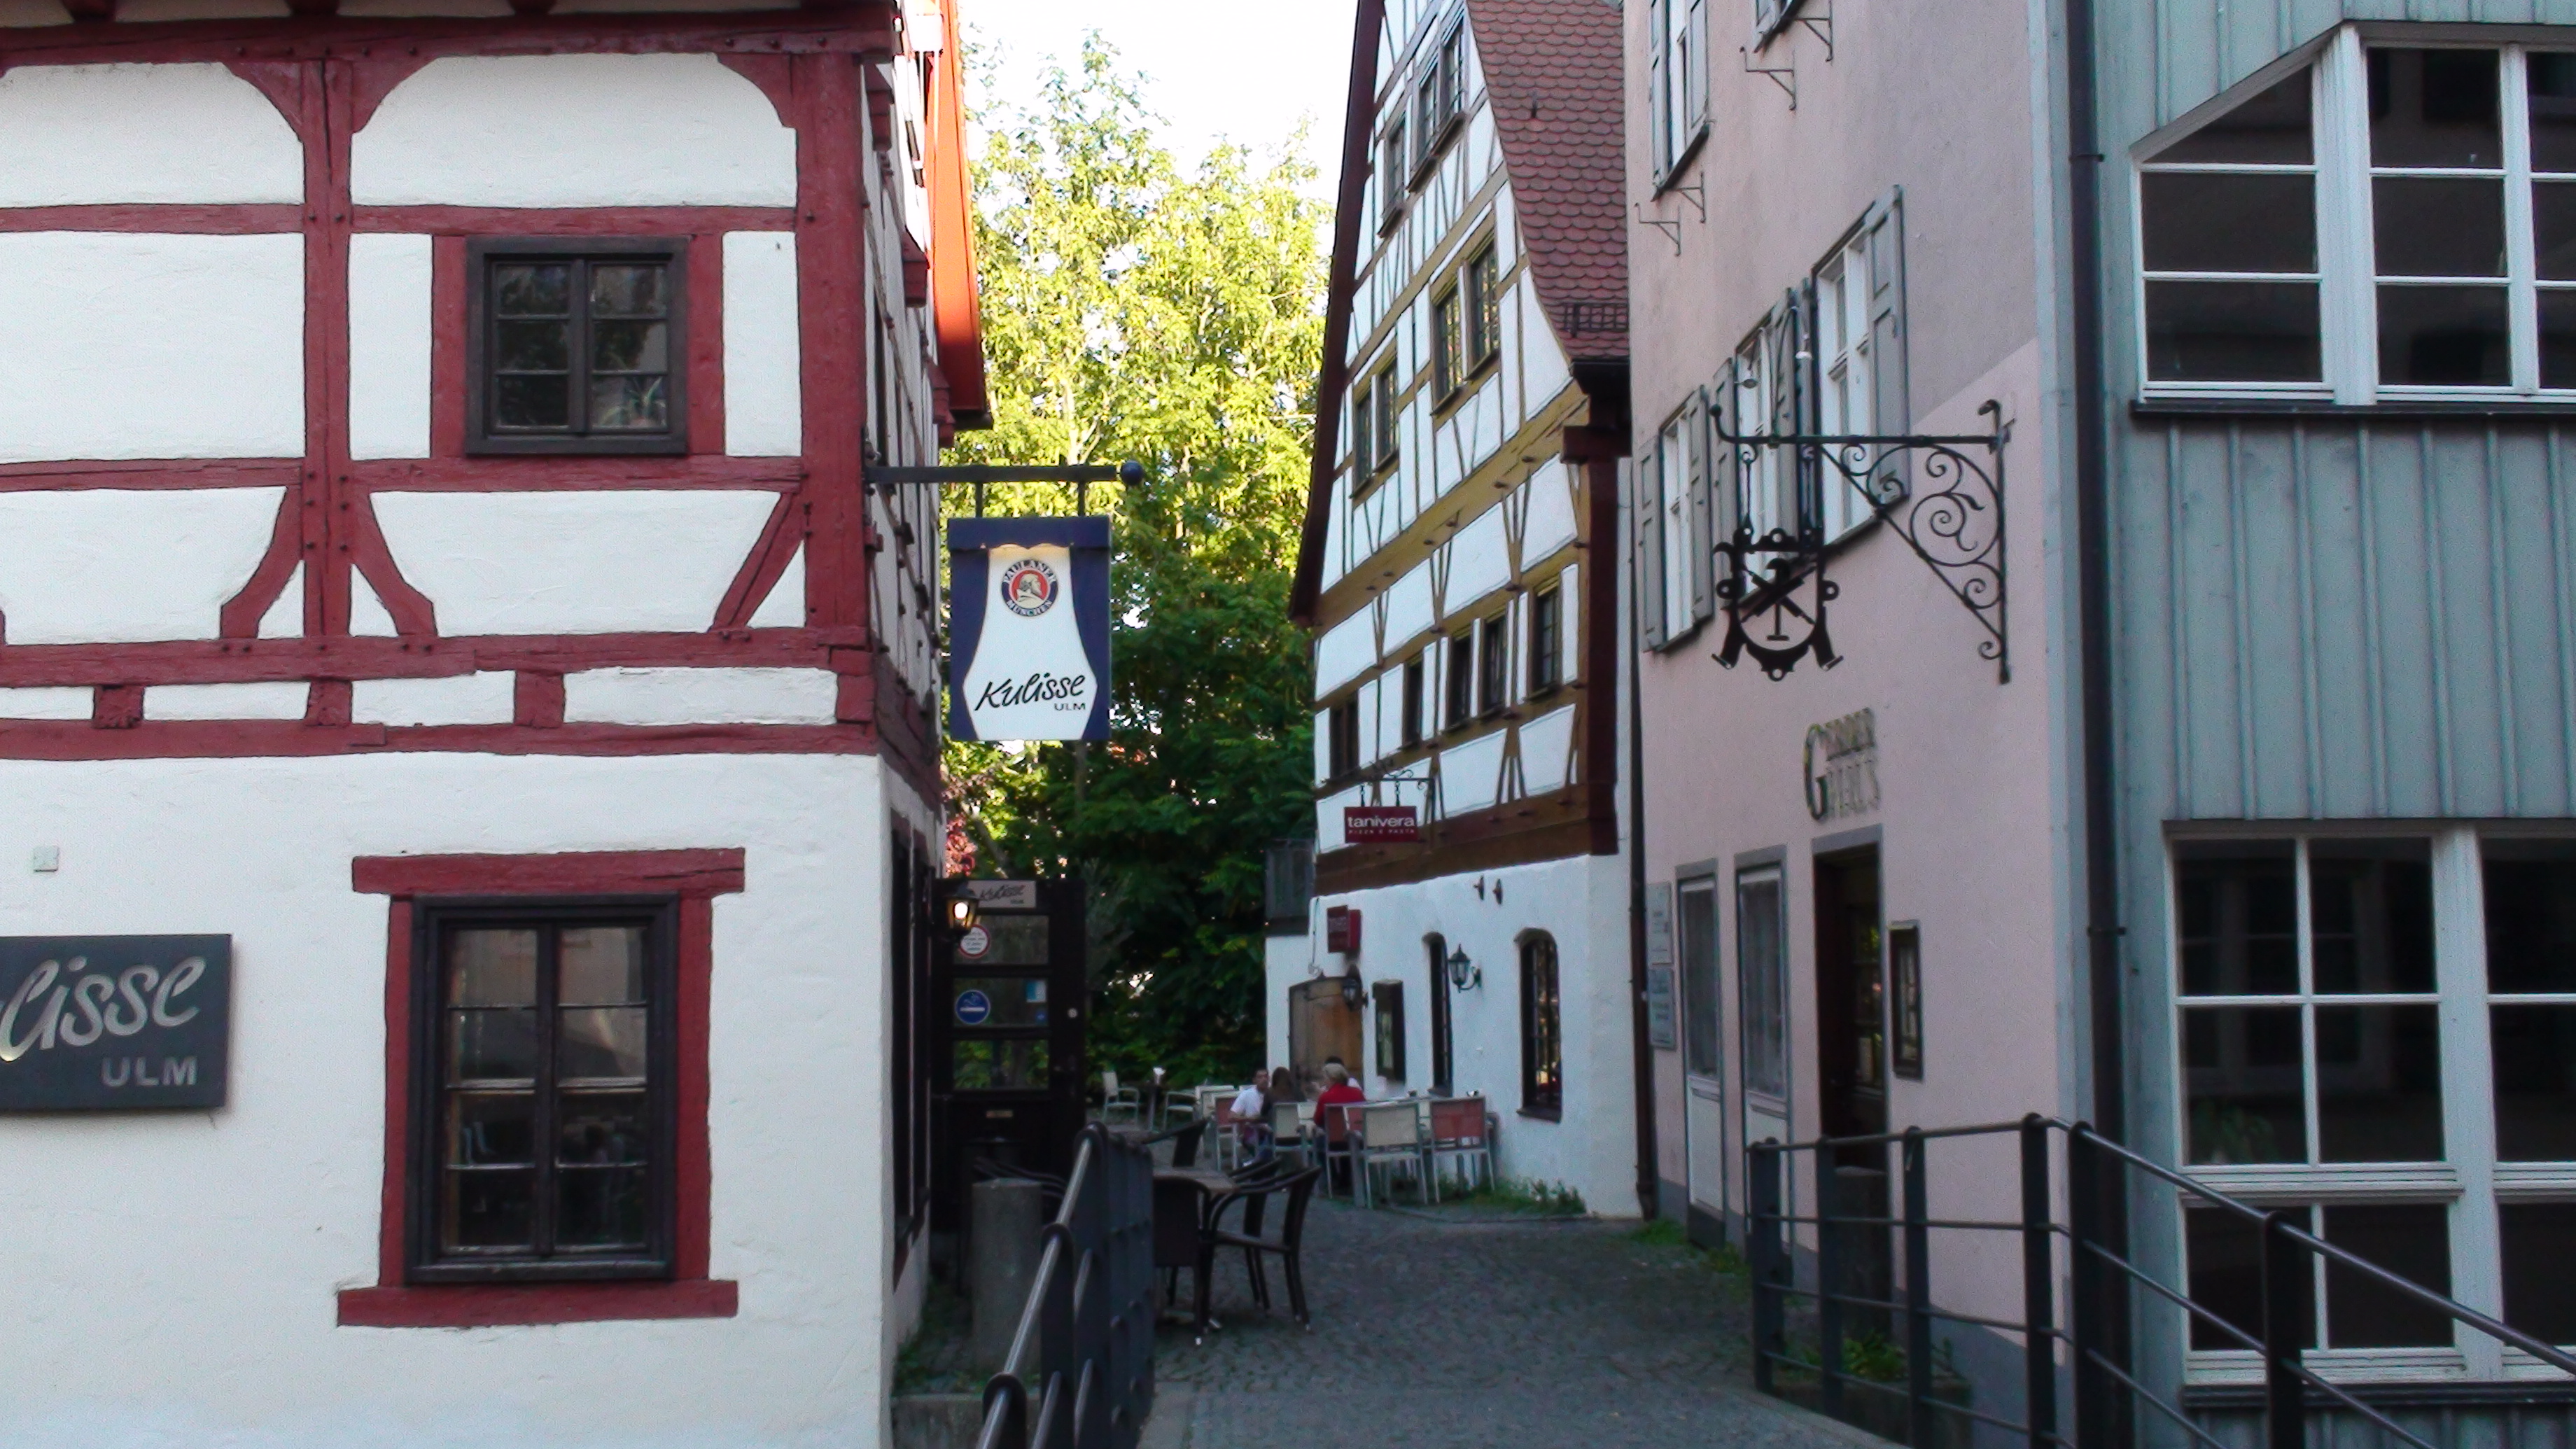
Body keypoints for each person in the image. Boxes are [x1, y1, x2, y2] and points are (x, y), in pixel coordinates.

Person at [1313, 1061, 1365, 1193]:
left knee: (1318, 1143)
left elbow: (1318, 1120)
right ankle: (1346, 1179)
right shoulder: (1357, 1093)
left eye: (1325, 1078)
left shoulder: (1326, 1097)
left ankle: (1333, 1177)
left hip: (1334, 1141)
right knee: (1347, 1140)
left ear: (1332, 1078)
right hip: (1356, 1139)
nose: (1324, 1081)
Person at [1230, 1074, 1272, 1166]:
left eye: (1266, 1077)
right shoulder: (1247, 1094)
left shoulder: (1273, 1094)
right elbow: (1231, 1116)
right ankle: (1258, 1164)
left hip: (1272, 1131)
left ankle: (1255, 1164)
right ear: (1254, 1080)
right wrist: (1249, 1119)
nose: (1264, 1079)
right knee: (1268, 1142)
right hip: (1253, 1131)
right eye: (1260, 1077)